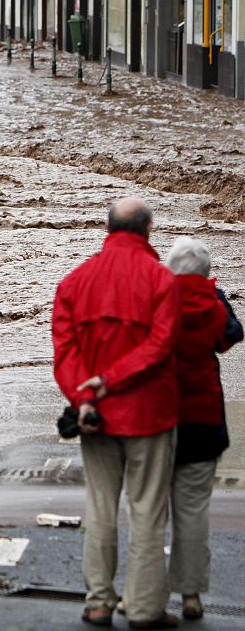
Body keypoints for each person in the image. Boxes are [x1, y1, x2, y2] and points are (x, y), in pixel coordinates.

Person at [52, 197, 180, 629]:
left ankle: (99, 601)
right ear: (147, 230)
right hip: (148, 413)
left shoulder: (75, 282)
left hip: (95, 415)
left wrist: (84, 396)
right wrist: (112, 378)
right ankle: (144, 607)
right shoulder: (162, 280)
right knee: (146, 510)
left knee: (100, 505)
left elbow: (64, 353)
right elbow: (161, 346)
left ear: (108, 229)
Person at [165, 237, 243, 620]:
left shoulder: (157, 300)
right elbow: (231, 336)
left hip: (158, 420)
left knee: (148, 510)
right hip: (204, 419)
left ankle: (143, 592)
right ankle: (191, 594)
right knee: (193, 511)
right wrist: (219, 295)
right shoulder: (212, 304)